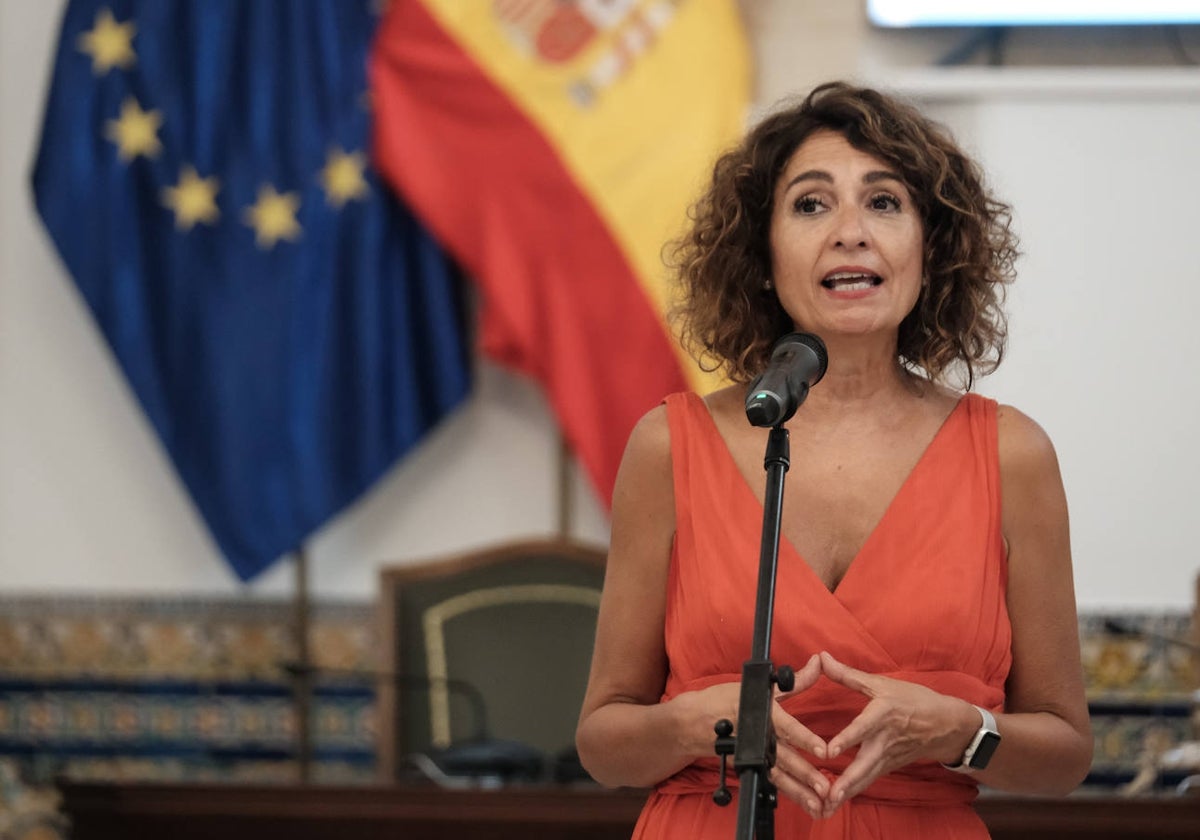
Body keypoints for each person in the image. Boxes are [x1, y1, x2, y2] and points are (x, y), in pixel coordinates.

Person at [575, 81, 1092, 838]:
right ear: (761, 254)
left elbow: (1065, 754)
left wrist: (958, 732)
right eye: (812, 204)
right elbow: (601, 743)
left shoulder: (1012, 454)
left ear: (931, 247)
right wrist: (695, 726)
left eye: (884, 203)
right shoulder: (667, 445)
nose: (851, 232)